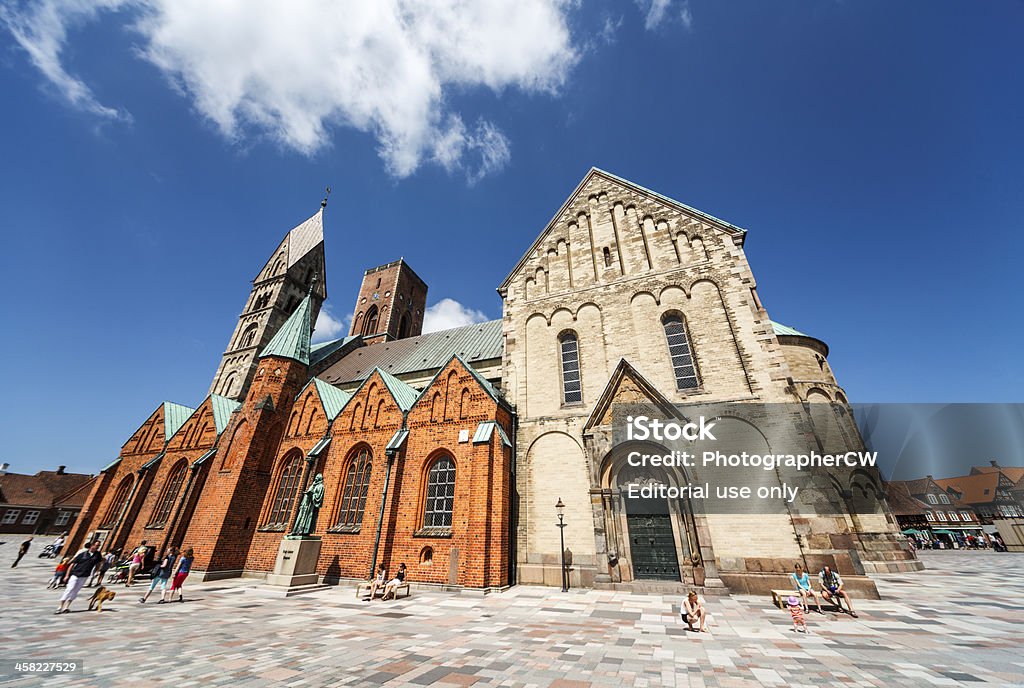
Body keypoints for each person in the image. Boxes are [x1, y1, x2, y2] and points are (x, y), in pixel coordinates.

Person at [56, 540, 102, 614]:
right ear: (92, 545)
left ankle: (66, 607)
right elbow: (72, 564)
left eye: (98, 546)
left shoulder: (97, 555)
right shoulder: (82, 554)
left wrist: (97, 571)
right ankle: (60, 606)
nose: (98, 547)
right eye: (97, 545)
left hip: (84, 575)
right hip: (75, 574)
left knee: (75, 591)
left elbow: (98, 564)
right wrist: (67, 575)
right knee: (69, 589)